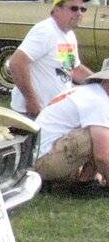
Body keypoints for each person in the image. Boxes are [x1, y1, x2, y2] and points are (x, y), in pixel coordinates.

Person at [8, 0, 93, 118]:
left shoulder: (68, 34)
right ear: (57, 9)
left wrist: (101, 82)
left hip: (54, 111)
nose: (79, 13)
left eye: (83, 9)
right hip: (33, 113)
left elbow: (72, 68)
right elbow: (16, 63)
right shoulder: (45, 31)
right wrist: (31, 100)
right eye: (74, 8)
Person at [34, 57, 109, 192]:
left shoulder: (87, 91)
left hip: (37, 157)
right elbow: (102, 157)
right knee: (101, 136)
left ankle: (85, 181)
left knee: (100, 133)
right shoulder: (99, 101)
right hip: (43, 162)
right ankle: (84, 183)